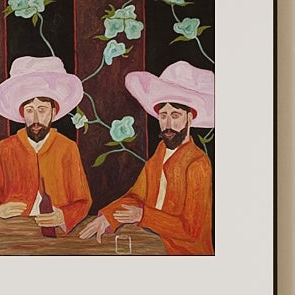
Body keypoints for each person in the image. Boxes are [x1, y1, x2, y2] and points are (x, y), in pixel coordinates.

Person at [77, 62, 215, 255]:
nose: (167, 124)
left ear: (190, 118)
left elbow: (190, 230)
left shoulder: (198, 163)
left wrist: (143, 215)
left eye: (175, 115)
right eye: (163, 115)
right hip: (153, 242)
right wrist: (109, 216)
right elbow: (136, 196)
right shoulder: (160, 153)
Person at [0, 56, 91, 236]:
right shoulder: (6, 148)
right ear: (22, 113)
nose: (35, 119)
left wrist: (63, 215)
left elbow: (83, 202)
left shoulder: (67, 148)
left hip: (58, 235)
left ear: (53, 112)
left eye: (42, 110)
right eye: (29, 110)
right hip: (13, 233)